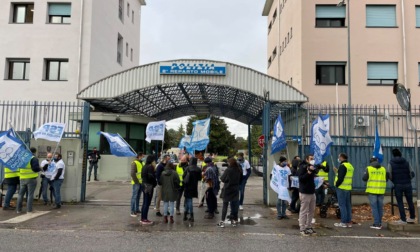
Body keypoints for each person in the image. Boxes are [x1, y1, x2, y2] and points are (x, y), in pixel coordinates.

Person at [388, 148, 416, 224]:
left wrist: (394, 181)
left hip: (398, 185)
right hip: (408, 184)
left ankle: (403, 219)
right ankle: (412, 217)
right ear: (400, 154)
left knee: (400, 202)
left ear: (393, 155)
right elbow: (412, 173)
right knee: (410, 201)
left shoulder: (391, 163)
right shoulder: (406, 162)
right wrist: (408, 179)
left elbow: (389, 174)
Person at [363, 157, 390, 229]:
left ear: (370, 162)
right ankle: (379, 223)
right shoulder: (383, 169)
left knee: (374, 207)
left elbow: (364, 178)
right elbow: (387, 179)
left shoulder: (369, 168)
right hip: (381, 191)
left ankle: (376, 223)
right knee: (380, 208)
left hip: (372, 191)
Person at [217, 157, 242, 228]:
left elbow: (222, 179)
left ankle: (222, 221)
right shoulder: (238, 170)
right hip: (235, 189)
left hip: (227, 189)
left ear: (230, 163)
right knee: (234, 206)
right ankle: (234, 220)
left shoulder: (228, 170)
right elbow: (240, 180)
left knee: (225, 205)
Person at [16, 147, 40, 214]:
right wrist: (41, 169)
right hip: (31, 178)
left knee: (20, 194)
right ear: (34, 152)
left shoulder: (21, 159)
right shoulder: (33, 158)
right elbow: (35, 168)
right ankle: (29, 210)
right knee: (30, 195)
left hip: (22, 178)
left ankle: (18, 210)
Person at [297, 154, 317, 236]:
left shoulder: (312, 167)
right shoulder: (302, 167)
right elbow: (301, 179)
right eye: (311, 159)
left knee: (311, 210)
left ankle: (308, 226)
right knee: (304, 211)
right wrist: (308, 172)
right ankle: (302, 228)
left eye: (313, 159)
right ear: (307, 159)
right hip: (305, 192)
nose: (312, 160)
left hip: (312, 192)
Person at [334, 153, 354, 228]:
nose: (338, 158)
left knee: (342, 205)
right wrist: (337, 171)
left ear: (342, 157)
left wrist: (336, 185)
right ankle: (348, 221)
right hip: (348, 188)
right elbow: (345, 176)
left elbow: (341, 178)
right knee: (347, 205)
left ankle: (343, 222)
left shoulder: (343, 166)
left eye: (339, 157)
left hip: (341, 188)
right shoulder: (350, 166)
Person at [183, 157, 202, 222]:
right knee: (189, 200)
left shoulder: (187, 168)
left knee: (188, 200)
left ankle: (189, 214)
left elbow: (183, 177)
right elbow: (200, 178)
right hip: (194, 186)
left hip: (187, 186)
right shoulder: (198, 169)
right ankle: (188, 215)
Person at [140, 155, 157, 225]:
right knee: (147, 202)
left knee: (144, 202)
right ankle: (145, 219)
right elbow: (151, 176)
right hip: (149, 186)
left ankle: (142, 217)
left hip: (144, 185)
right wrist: (155, 183)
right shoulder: (150, 167)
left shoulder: (144, 166)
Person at [130, 152, 144, 217]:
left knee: (138, 196)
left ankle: (137, 209)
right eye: (142, 156)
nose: (143, 157)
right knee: (134, 196)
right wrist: (136, 181)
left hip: (141, 182)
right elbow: (132, 173)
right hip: (136, 183)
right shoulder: (134, 162)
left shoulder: (142, 162)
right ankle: (132, 211)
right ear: (139, 156)